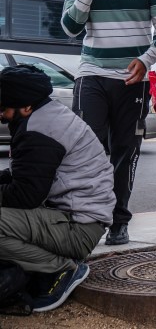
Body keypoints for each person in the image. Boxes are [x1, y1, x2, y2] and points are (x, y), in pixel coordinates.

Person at [60, 0, 156, 246]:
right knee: (86, 150)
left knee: (124, 151)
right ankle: (85, 219)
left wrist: (145, 61)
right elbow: (69, 28)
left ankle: (119, 221)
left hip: (132, 80)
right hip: (92, 75)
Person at [0, 65, 115, 312]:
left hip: (78, 228)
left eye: (3, 108)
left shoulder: (39, 130)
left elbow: (26, 195)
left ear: (26, 107)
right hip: (76, 219)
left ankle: (61, 268)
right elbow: (28, 173)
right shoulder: (47, 114)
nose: (1, 114)